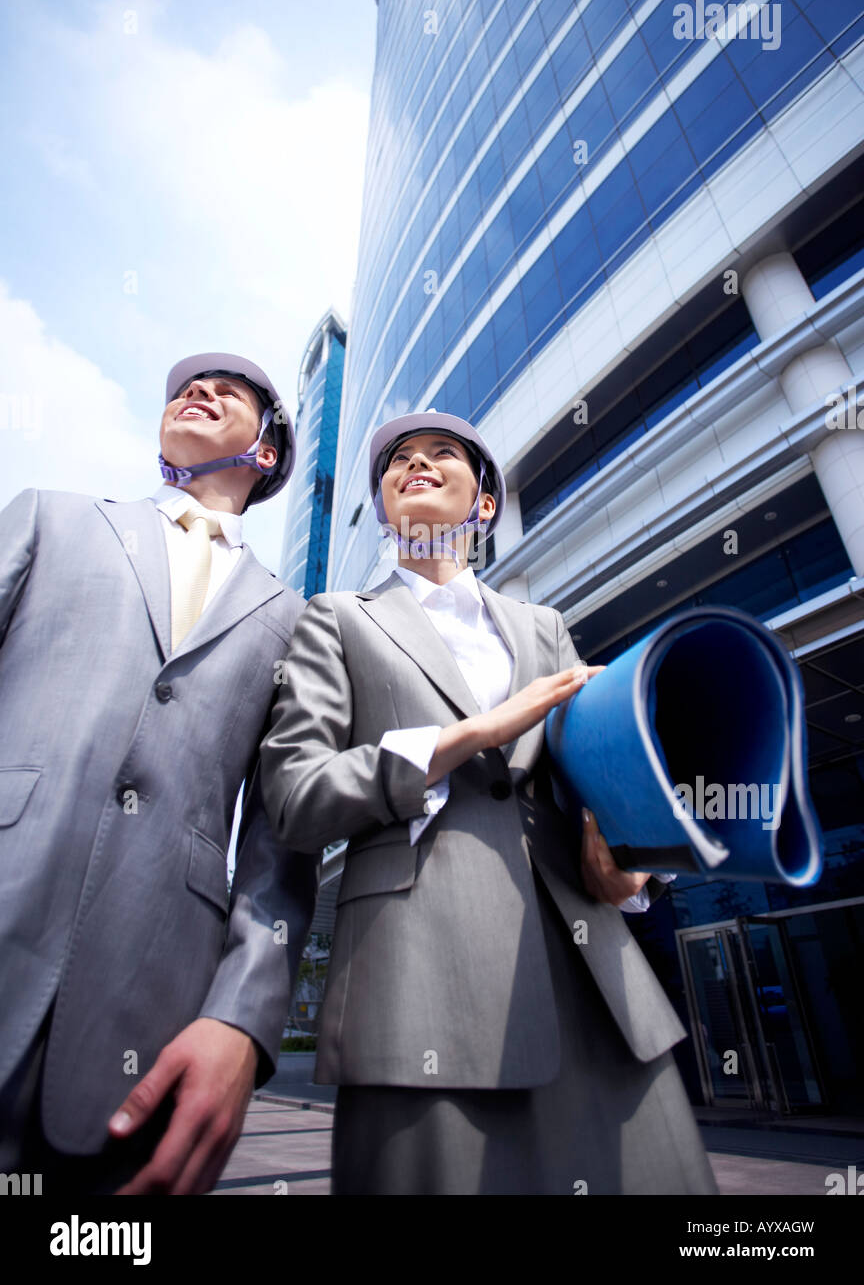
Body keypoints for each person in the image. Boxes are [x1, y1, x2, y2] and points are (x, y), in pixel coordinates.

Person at [260, 410, 717, 1195]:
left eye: (443, 454)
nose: (417, 464)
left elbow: (598, 778)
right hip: (419, 986)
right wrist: (466, 737)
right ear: (384, 509)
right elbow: (296, 794)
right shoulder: (337, 621)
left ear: (485, 506)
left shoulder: (545, 628)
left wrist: (630, 869)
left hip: (592, 981)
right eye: (399, 461)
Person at [0, 353, 317, 1195]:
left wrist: (242, 1024)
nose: (199, 390)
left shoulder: (295, 620)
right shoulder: (52, 519)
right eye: (186, 385)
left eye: (234, 392)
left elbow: (281, 846)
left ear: (267, 454)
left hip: (147, 1015)